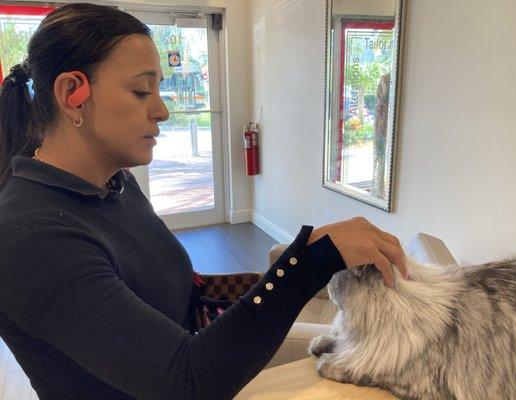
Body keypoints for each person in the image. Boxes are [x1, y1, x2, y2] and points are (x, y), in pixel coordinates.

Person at [0, 4, 409, 400]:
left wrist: (282, 272)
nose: (161, 110)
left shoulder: (115, 185)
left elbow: (167, 295)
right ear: (73, 93)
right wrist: (305, 265)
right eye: (141, 91)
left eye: (158, 89)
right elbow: (187, 381)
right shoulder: (32, 238)